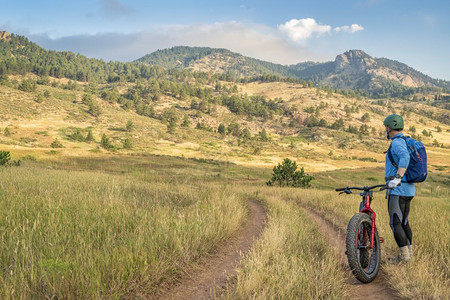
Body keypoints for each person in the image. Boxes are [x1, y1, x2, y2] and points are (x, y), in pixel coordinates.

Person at [384, 114, 414, 263]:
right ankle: (409, 255)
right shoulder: (405, 140)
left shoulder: (396, 143)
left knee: (395, 223)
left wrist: (397, 177)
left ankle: (405, 258)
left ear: (389, 127)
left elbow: (405, 158)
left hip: (398, 190)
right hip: (409, 190)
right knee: (404, 223)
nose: (385, 130)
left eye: (386, 128)